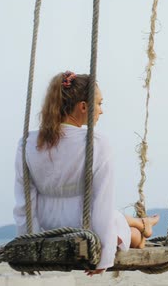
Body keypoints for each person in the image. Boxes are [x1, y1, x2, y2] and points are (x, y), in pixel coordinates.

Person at [13, 71, 160, 276]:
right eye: (99, 103)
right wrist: (104, 257)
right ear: (83, 106)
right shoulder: (96, 143)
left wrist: (29, 243)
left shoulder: (27, 142)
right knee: (129, 233)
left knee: (116, 220)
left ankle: (142, 224)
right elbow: (102, 203)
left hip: (46, 226)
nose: (101, 111)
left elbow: (24, 202)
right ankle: (142, 227)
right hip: (85, 226)